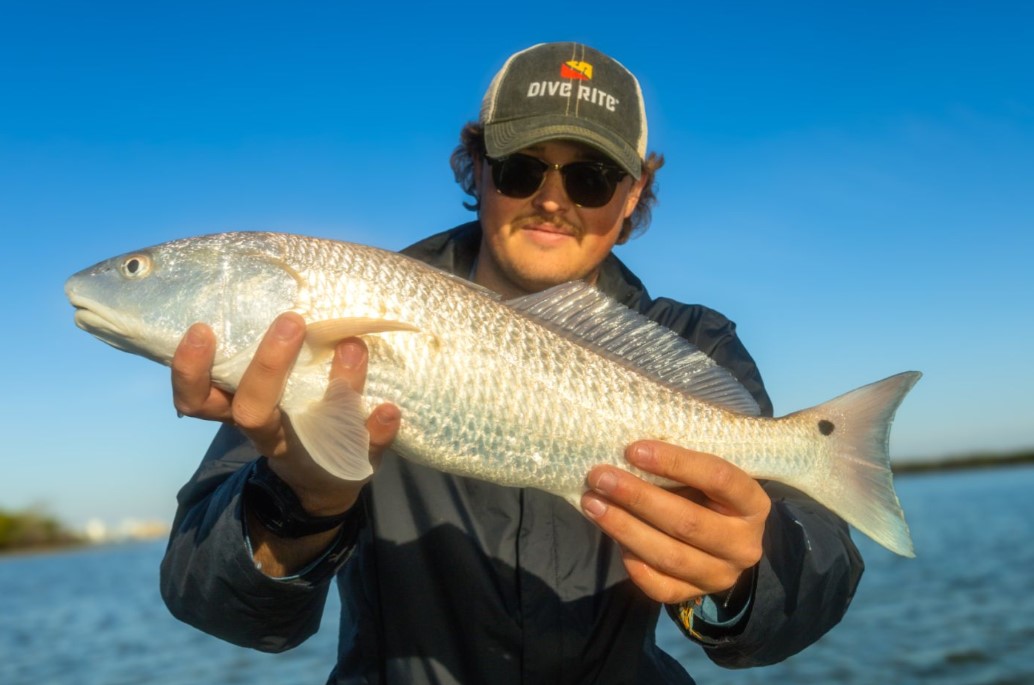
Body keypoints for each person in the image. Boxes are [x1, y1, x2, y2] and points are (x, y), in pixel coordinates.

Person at [161, 42, 863, 683]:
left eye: (591, 177)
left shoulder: (693, 339)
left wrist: (747, 570)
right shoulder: (349, 309)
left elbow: (810, 581)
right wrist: (297, 503)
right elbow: (210, 596)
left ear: (633, 196)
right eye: (523, 168)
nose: (553, 199)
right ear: (478, 165)